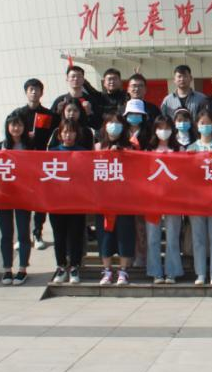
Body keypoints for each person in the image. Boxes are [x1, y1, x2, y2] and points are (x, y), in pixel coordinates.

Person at [9, 78, 53, 250]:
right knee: (22, 201)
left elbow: (54, 134)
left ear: (42, 93)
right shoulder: (17, 113)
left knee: (40, 200)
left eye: (37, 89)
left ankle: (37, 233)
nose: (34, 92)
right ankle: (23, 236)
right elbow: (10, 133)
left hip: (41, 163)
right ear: (26, 92)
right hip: (22, 165)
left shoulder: (48, 114)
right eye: (31, 89)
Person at [186, 109, 212, 286]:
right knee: (198, 239)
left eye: (208, 123)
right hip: (196, 200)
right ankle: (201, 273)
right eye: (202, 123)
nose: (205, 126)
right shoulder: (190, 149)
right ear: (197, 126)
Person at [96, 112, 136, 285]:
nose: (114, 126)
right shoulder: (98, 147)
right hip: (103, 199)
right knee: (105, 235)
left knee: (124, 234)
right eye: (111, 123)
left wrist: (122, 154)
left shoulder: (130, 147)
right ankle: (107, 271)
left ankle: (123, 271)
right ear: (105, 126)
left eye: (118, 123)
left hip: (125, 199)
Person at [145, 116, 184, 284]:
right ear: (154, 130)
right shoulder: (148, 150)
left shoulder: (179, 149)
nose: (163, 131)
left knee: (172, 237)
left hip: (173, 199)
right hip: (152, 200)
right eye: (160, 127)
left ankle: (171, 271)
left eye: (167, 127)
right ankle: (156, 272)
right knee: (152, 237)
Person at [0, 114, 32, 285]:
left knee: (23, 232)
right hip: (3, 195)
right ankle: (7, 269)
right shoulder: (0, 146)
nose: (16, 128)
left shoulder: (29, 145)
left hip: (23, 194)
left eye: (19, 125)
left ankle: (22, 269)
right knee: (6, 233)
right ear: (7, 127)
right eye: (13, 125)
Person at [48, 121, 87, 284]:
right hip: (57, 202)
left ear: (76, 134)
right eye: (65, 132)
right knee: (59, 236)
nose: (68, 135)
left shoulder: (83, 153)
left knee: (75, 235)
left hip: (77, 201)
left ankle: (75, 266)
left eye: (71, 132)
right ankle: (61, 266)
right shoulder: (52, 152)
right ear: (59, 134)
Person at [50, 65, 104, 132]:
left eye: (79, 76)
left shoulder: (90, 100)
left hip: (85, 136)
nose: (76, 79)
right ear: (67, 79)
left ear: (83, 80)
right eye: (73, 76)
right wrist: (58, 112)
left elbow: (98, 125)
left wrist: (89, 112)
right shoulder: (60, 100)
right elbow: (51, 125)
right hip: (66, 136)